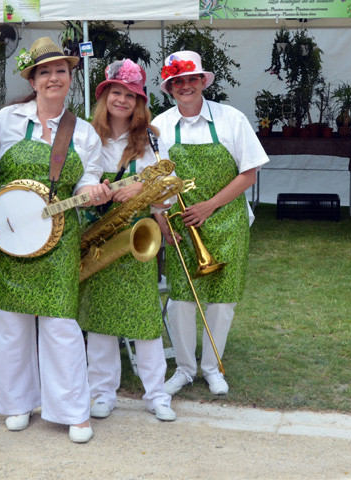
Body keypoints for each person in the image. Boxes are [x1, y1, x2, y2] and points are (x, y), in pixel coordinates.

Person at [0, 37, 113, 444]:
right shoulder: (6, 120)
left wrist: (96, 192)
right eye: (45, 72)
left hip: (59, 238)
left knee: (60, 325)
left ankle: (72, 409)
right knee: (7, 325)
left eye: (61, 71)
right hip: (7, 238)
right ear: (33, 80)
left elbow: (88, 180)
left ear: (71, 79)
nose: (54, 78)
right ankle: (17, 403)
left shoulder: (84, 132)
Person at [152, 51, 269, 397]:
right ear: (170, 88)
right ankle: (185, 369)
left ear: (203, 81)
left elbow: (250, 172)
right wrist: (162, 222)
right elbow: (153, 183)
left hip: (228, 220)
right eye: (178, 82)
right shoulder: (159, 127)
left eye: (192, 79)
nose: (186, 86)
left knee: (222, 300)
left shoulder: (231, 119)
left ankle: (212, 366)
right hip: (182, 224)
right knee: (181, 301)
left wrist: (210, 206)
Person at [78, 59, 176, 422]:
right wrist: (93, 190)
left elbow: (166, 195)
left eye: (130, 95)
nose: (122, 100)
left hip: (137, 237)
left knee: (145, 318)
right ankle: (102, 393)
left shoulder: (151, 140)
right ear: (104, 97)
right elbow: (78, 181)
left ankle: (157, 395)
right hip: (98, 236)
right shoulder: (87, 135)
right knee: (100, 319)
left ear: (140, 102)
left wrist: (143, 186)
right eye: (115, 93)